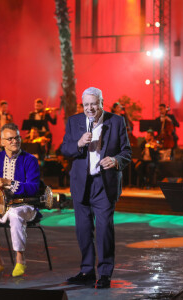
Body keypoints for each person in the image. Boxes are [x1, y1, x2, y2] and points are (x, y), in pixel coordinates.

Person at [61, 87, 132, 288]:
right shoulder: (73, 122)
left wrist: (116, 160)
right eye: (86, 105)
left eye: (94, 104)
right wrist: (78, 144)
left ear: (102, 102)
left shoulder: (116, 121)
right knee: (83, 230)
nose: (90, 108)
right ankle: (87, 271)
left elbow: (127, 151)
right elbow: (64, 149)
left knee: (103, 230)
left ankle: (105, 273)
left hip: (104, 184)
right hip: (81, 184)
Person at [0, 123, 40, 277]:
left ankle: (20, 260)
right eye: (10, 138)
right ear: (2, 142)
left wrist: (9, 183)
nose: (14, 141)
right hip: (3, 203)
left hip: (26, 204)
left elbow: (34, 188)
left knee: (14, 214)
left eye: (17, 137)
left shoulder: (30, 159)